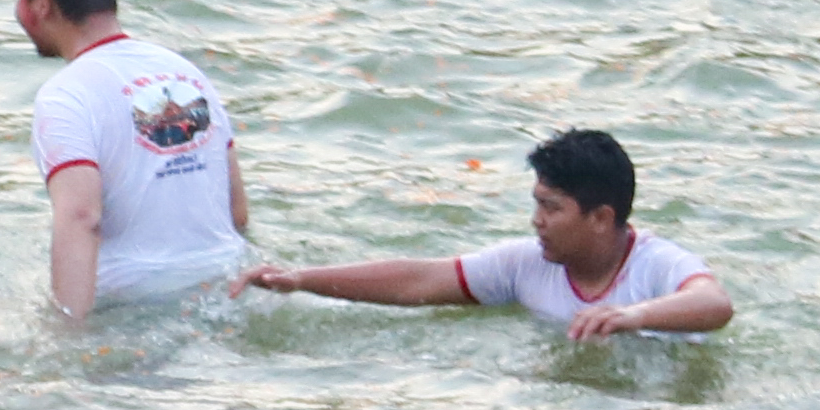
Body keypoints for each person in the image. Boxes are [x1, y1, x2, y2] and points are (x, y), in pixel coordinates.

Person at [244, 127, 733, 340]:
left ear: (601, 217)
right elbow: (419, 281)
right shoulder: (526, 263)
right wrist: (302, 279)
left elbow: (715, 306)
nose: (536, 221)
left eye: (552, 208)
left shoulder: (657, 263)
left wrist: (632, 316)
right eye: (536, 204)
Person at [10, 0, 244, 309]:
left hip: (134, 306)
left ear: (39, 0)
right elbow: (237, 211)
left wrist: (67, 337)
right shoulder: (186, 73)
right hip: (224, 282)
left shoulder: (66, 96)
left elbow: (82, 216)